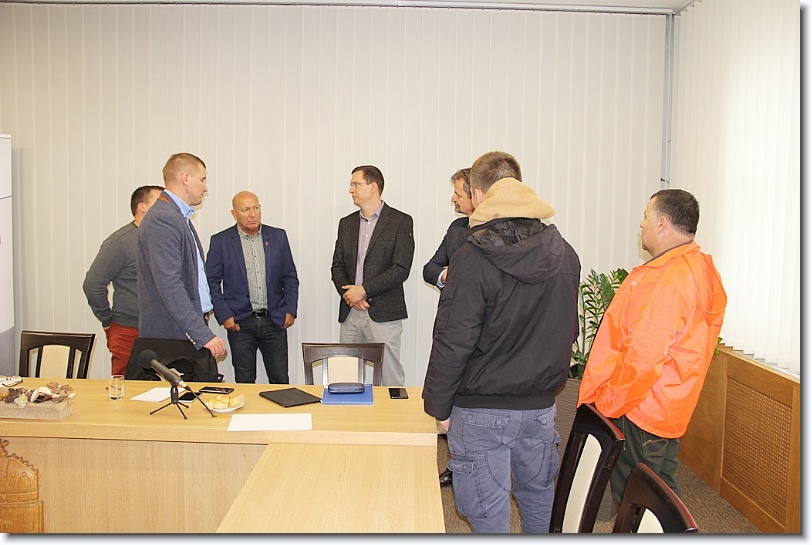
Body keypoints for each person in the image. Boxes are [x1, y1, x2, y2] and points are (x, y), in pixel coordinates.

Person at [423, 151, 578, 533]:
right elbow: (568, 330)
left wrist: (438, 405)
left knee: (487, 517)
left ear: (478, 194)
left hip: (480, 409)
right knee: (538, 501)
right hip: (540, 408)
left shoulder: (472, 257)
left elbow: (453, 339)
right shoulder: (565, 254)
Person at [577, 188, 727, 506]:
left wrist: (609, 404)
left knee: (636, 500)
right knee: (661, 493)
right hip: (668, 406)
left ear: (661, 223)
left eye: (646, 217)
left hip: (641, 409)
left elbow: (644, 358)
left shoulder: (669, 279)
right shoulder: (699, 268)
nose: (641, 225)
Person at [330, 165, 414, 386]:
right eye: (351, 185)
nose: (351, 189)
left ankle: (394, 411)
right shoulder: (346, 223)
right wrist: (351, 295)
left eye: (356, 184)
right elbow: (337, 266)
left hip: (384, 312)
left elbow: (400, 268)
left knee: (390, 377)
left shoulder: (400, 221)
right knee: (345, 378)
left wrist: (364, 291)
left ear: (373, 187)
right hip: (351, 311)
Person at [137, 152, 226, 359]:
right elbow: (169, 284)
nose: (205, 188)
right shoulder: (162, 219)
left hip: (184, 332)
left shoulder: (177, 216)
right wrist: (201, 334)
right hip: (173, 336)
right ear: (185, 178)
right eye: (202, 179)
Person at [206, 191, 300, 383]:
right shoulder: (221, 241)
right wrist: (224, 315)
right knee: (245, 380)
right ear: (234, 214)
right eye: (246, 209)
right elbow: (211, 282)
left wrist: (290, 310)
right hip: (240, 322)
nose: (252, 214)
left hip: (274, 320)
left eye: (256, 208)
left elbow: (290, 277)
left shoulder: (278, 236)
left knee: (280, 379)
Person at [422, 167, 476, 489]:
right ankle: (457, 465)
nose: (453, 199)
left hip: (480, 332)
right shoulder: (457, 229)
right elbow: (430, 268)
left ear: (476, 194)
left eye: (457, 193)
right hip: (453, 325)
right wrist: (447, 275)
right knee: (452, 399)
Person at [83, 185, 163, 375]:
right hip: (129, 330)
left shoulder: (164, 239)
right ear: (142, 206)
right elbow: (93, 283)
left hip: (162, 331)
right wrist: (106, 319)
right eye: (160, 203)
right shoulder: (120, 241)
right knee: (127, 385)